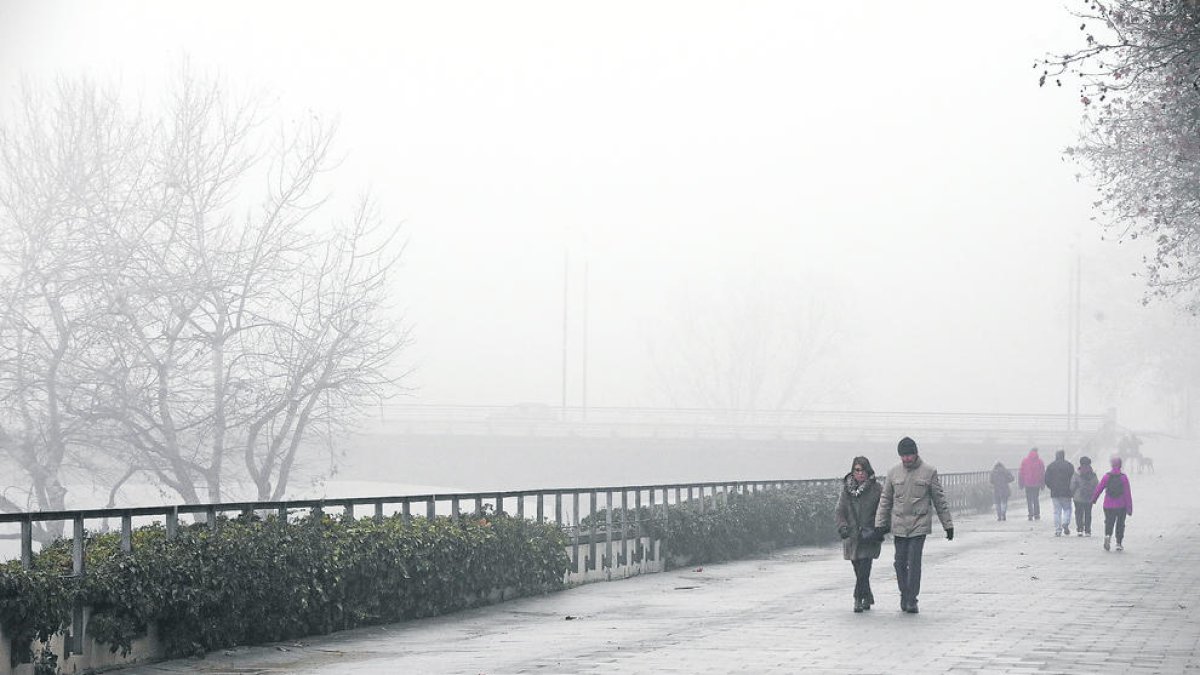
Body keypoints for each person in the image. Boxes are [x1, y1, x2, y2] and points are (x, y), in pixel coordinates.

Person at [875, 436, 954, 614]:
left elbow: (939, 499)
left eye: (909, 455)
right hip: (899, 525)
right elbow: (885, 499)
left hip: (919, 524)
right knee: (899, 562)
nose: (906, 459)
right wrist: (880, 524)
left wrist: (947, 524)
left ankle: (912, 599)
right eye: (903, 456)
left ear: (916, 453)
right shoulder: (893, 473)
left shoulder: (929, 472)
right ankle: (904, 592)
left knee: (914, 561)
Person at [834, 456, 883, 613]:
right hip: (852, 536)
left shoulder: (877, 489)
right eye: (857, 470)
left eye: (863, 470)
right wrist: (842, 526)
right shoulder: (846, 490)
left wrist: (879, 527)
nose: (860, 473)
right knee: (857, 568)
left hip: (869, 535)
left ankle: (857, 598)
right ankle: (867, 596)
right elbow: (840, 510)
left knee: (864, 569)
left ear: (868, 471)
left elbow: (882, 510)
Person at [1092, 457, 1133, 551]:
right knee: (1120, 524)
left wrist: (1094, 499)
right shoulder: (1123, 477)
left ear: (1111, 464)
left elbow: (1099, 488)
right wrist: (1129, 508)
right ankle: (1118, 543)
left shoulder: (1107, 476)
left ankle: (1107, 536)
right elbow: (1127, 493)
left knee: (1109, 522)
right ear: (1120, 465)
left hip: (1108, 505)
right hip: (1121, 505)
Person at [1044, 449, 1075, 536]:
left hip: (1055, 492)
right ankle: (1065, 522)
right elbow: (1073, 479)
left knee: (1057, 511)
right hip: (1066, 492)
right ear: (1064, 455)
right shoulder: (1069, 466)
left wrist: (1051, 487)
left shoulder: (1051, 466)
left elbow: (1046, 479)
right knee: (1067, 509)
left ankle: (1058, 530)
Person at [1070, 456, 1099, 537]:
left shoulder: (1077, 473)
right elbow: (1097, 485)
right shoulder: (1093, 474)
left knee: (1078, 513)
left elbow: (1072, 485)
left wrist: (1072, 493)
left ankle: (1079, 529)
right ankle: (1087, 530)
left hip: (1078, 497)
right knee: (1088, 513)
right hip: (1089, 497)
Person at [1017, 448, 1045, 521]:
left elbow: (1021, 473)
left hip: (1028, 483)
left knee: (1029, 500)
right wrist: (1042, 484)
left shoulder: (1025, 461)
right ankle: (1037, 514)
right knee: (1036, 499)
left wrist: (1021, 483)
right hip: (1036, 483)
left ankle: (1030, 514)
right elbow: (1042, 473)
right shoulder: (1040, 462)